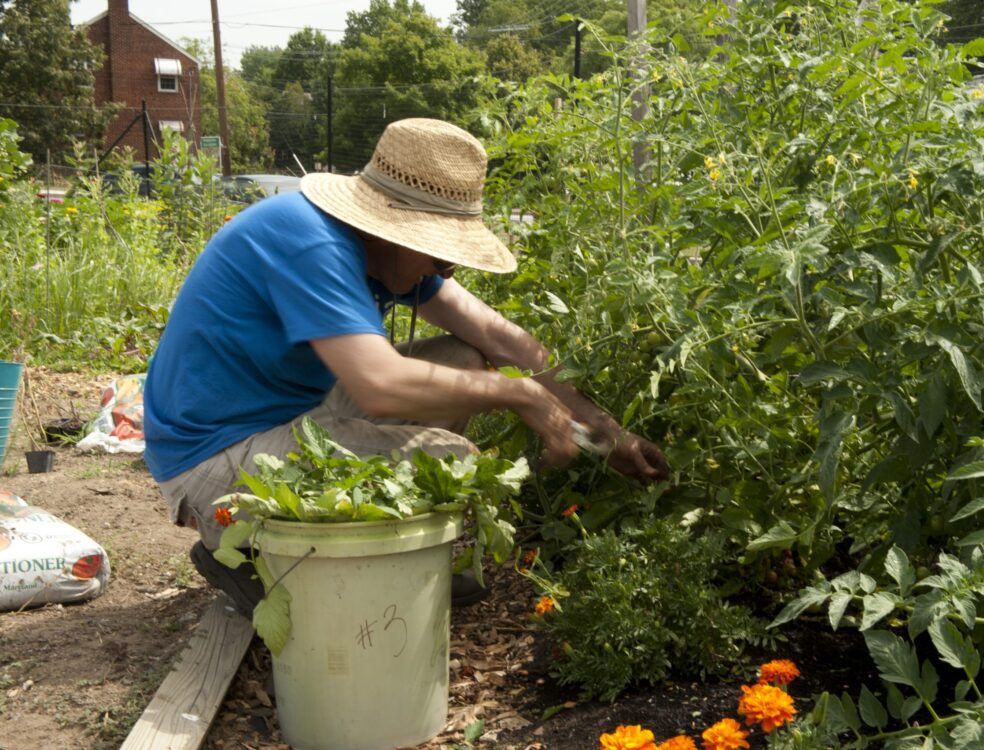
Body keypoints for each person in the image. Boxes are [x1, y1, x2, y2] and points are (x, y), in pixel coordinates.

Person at [143, 118, 669, 617]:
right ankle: (259, 560)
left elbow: (501, 339)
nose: (448, 269)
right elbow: (379, 387)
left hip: (283, 415)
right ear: (396, 228)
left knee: (464, 359)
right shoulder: (309, 239)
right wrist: (522, 396)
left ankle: (358, 554)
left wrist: (608, 431)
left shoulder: (380, 253)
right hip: (215, 459)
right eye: (439, 256)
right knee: (451, 458)